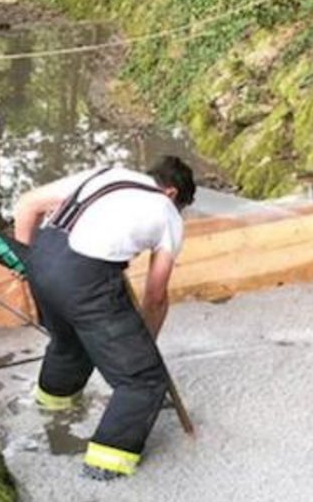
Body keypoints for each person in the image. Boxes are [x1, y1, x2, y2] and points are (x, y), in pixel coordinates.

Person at [12, 156, 196, 480]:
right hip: (86, 279)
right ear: (171, 194)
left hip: (40, 257)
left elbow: (27, 205)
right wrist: (143, 348)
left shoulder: (106, 174)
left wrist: (26, 268)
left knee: (70, 344)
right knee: (143, 380)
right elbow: (155, 295)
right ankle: (104, 466)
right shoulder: (167, 213)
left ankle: (51, 409)